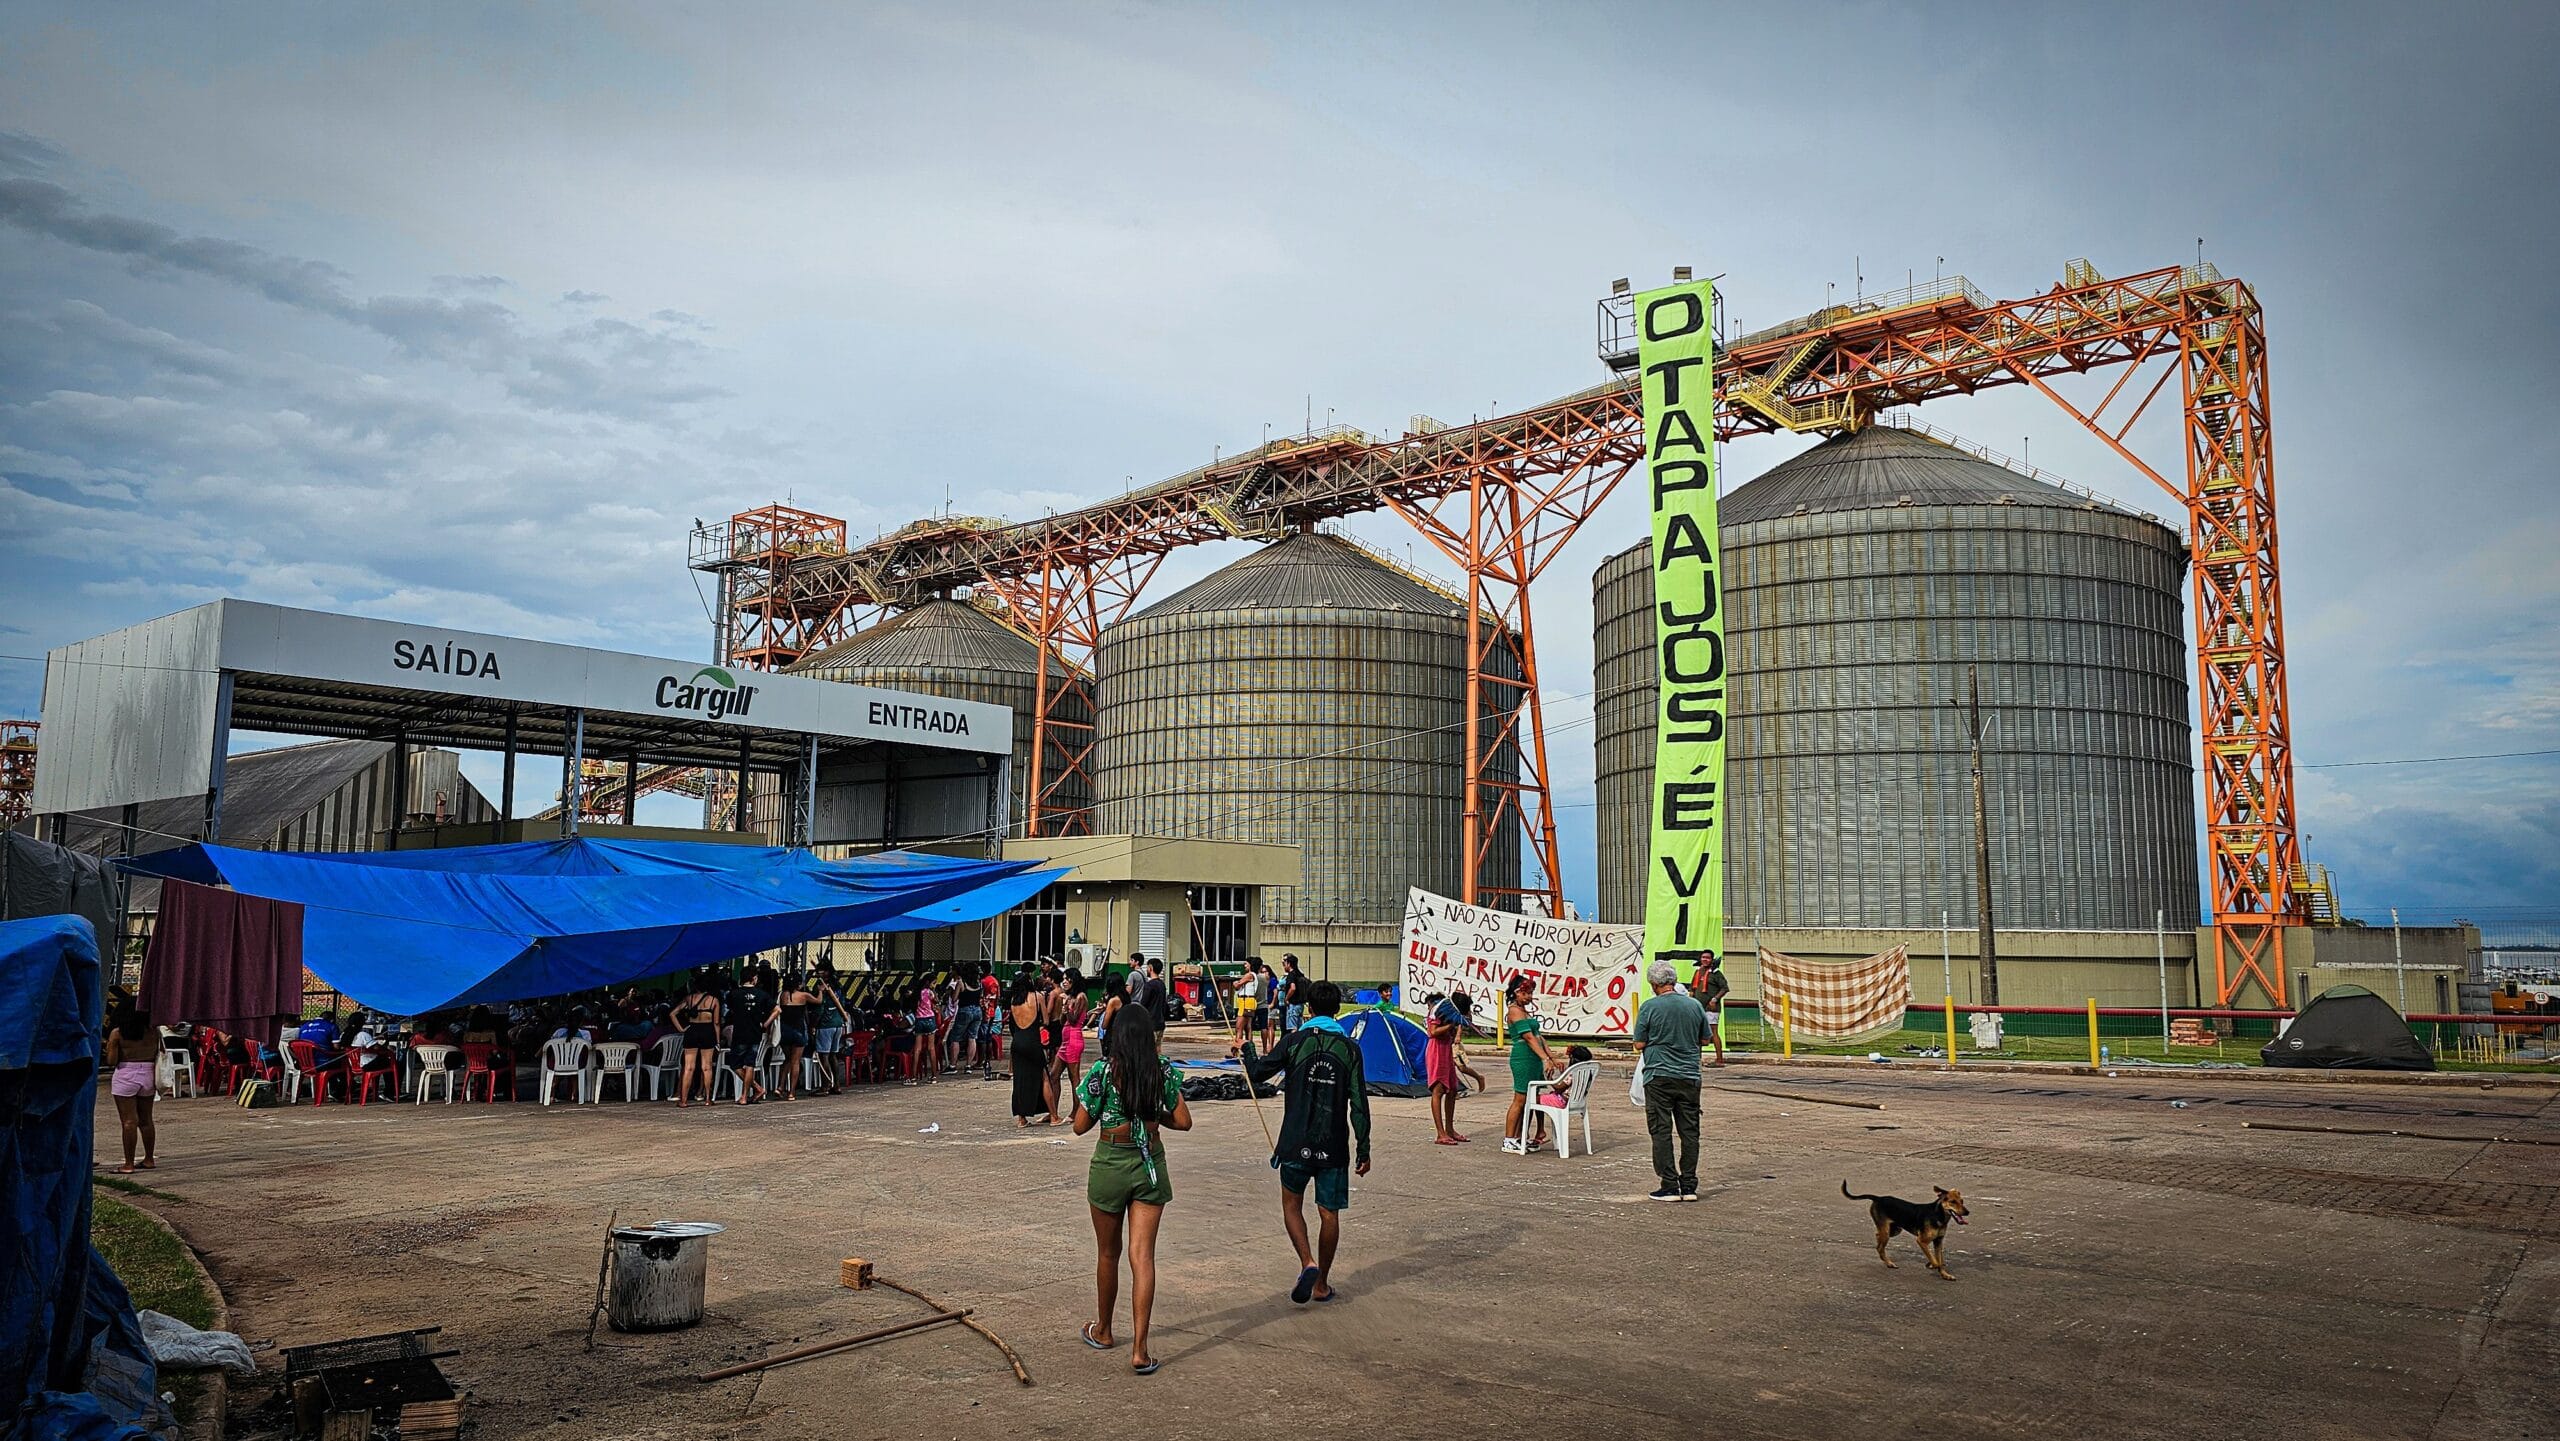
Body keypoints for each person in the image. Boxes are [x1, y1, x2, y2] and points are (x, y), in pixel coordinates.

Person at [1233, 980, 1371, 1304]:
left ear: (1308, 1009)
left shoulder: (1294, 1041)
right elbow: (1359, 1104)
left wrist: (1246, 1047)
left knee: (1291, 1205)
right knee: (1329, 1213)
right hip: (1334, 1146)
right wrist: (1363, 1148)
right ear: (1337, 1011)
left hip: (1295, 1142)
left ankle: (1307, 1260)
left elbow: (1257, 1073)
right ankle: (1321, 1282)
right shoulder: (1350, 1049)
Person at [1072, 1008, 1191, 1375]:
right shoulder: (1162, 1071)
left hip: (1110, 1163)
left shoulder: (1104, 1072)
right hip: (1149, 1165)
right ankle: (1140, 1349)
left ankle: (1105, 1330)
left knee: (1108, 1253)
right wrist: (1154, 1118)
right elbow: (1184, 1121)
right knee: (1144, 1258)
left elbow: (1079, 1126)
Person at [1630, 960, 1710, 1201]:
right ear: (1673, 981)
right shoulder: (1694, 1005)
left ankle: (1669, 1184)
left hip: (1659, 1076)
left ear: (1654, 984)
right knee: (1690, 1132)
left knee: (1661, 1130)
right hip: (1689, 1076)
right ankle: (1689, 1184)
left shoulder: (1649, 1007)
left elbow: (1639, 1043)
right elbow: (1705, 1039)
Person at [1501, 974, 1560, 1155]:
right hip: (1523, 1058)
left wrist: (1551, 1057)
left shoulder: (1524, 1012)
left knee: (1530, 1098)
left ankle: (1521, 1136)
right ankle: (1509, 1139)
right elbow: (1528, 1037)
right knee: (1520, 1099)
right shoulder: (1514, 1011)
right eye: (1526, 994)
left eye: (1531, 993)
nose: (1529, 997)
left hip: (1533, 1057)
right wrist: (1544, 1058)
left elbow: (1538, 1037)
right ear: (1517, 993)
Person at [102, 1006, 159, 1172]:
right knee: (146, 1119)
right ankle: (149, 1158)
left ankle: (128, 1163)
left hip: (126, 1073)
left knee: (128, 1121)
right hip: (148, 1073)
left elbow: (112, 1061)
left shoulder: (118, 1033)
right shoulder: (153, 1032)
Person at [1424, 990, 1470, 1145]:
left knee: (1452, 1090)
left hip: (1446, 1050)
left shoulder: (1450, 1012)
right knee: (1438, 1091)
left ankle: (1450, 1129)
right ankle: (1440, 1133)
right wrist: (1451, 1024)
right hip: (1436, 1051)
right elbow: (1433, 1032)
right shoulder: (1437, 1011)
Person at [1006, 972, 1052, 1126]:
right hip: (1032, 1041)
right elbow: (1045, 1020)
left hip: (1017, 1042)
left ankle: (1021, 1119)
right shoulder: (1038, 997)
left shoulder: (1013, 1000)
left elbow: (1012, 1025)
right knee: (1044, 1076)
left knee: (1019, 1081)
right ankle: (1054, 1115)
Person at [675, 978, 722, 1107]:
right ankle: (707, 1099)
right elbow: (716, 1023)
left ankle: (683, 1100)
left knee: (689, 1067)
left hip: (692, 1030)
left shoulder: (689, 999)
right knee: (706, 1067)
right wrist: (718, 1041)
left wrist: (680, 1029)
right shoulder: (713, 1000)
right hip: (708, 1031)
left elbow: (673, 1013)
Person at [776, 970, 823, 1100]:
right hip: (798, 1031)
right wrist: (820, 990)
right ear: (798, 984)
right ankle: (791, 1093)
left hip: (784, 1032)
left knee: (787, 1059)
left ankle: (780, 1087)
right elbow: (818, 1001)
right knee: (795, 1062)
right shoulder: (804, 995)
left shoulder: (782, 995)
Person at [1700, 958, 1731, 1067]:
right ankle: (1697, 1060)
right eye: (1703, 957)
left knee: (1713, 1032)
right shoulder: (1698, 971)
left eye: (1707, 958)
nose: (1705, 960)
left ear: (1711, 960)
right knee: (1698, 1033)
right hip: (1699, 1007)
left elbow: (1724, 988)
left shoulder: (1716, 973)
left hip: (1711, 1008)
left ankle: (1719, 1059)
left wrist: (1715, 999)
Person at [909, 979, 939, 1084]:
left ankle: (913, 1077)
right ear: (928, 983)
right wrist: (934, 991)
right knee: (931, 1048)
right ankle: (934, 1076)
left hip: (919, 1020)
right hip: (930, 1019)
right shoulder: (930, 992)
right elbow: (936, 1001)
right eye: (933, 983)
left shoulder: (917, 993)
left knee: (917, 1049)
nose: (934, 985)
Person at [1231, 958, 1266, 1048]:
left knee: (1239, 1027)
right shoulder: (1252, 975)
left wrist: (1235, 983)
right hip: (1247, 1001)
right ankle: (1249, 1048)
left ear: (1251, 965)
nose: (1244, 966)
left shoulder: (1249, 975)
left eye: (1246, 964)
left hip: (1246, 1001)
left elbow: (1237, 985)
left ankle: (1236, 1049)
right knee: (1248, 1027)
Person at [1134, 957, 1169, 1034]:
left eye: (1147, 967)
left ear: (1150, 968)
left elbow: (1143, 1004)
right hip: (1160, 1023)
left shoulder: (1149, 985)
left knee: (1148, 1045)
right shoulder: (1162, 984)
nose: (1146, 969)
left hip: (1150, 1023)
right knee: (1158, 1046)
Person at [1278, 954, 1308, 1034]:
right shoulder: (1300, 974)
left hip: (1293, 1004)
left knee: (1293, 1028)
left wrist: (1286, 998)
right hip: (1300, 1004)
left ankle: (1293, 1044)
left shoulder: (1291, 975)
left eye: (1284, 963)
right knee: (1299, 1027)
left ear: (1289, 964)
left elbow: (1293, 988)